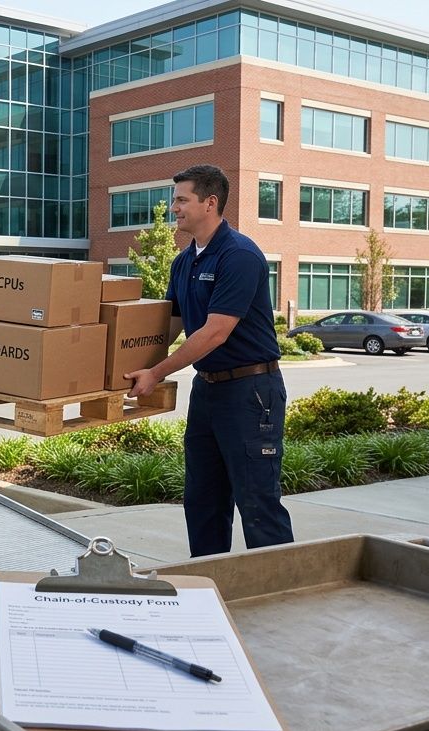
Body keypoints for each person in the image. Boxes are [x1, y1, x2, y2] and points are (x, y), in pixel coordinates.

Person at [125, 165, 294, 557]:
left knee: (257, 503)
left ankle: (273, 594)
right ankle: (208, 584)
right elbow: (169, 325)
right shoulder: (183, 262)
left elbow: (216, 331)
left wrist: (158, 372)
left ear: (210, 202)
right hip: (209, 391)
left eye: (182, 199)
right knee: (202, 499)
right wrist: (128, 366)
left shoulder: (239, 256)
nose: (174, 208)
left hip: (251, 393)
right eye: (175, 200)